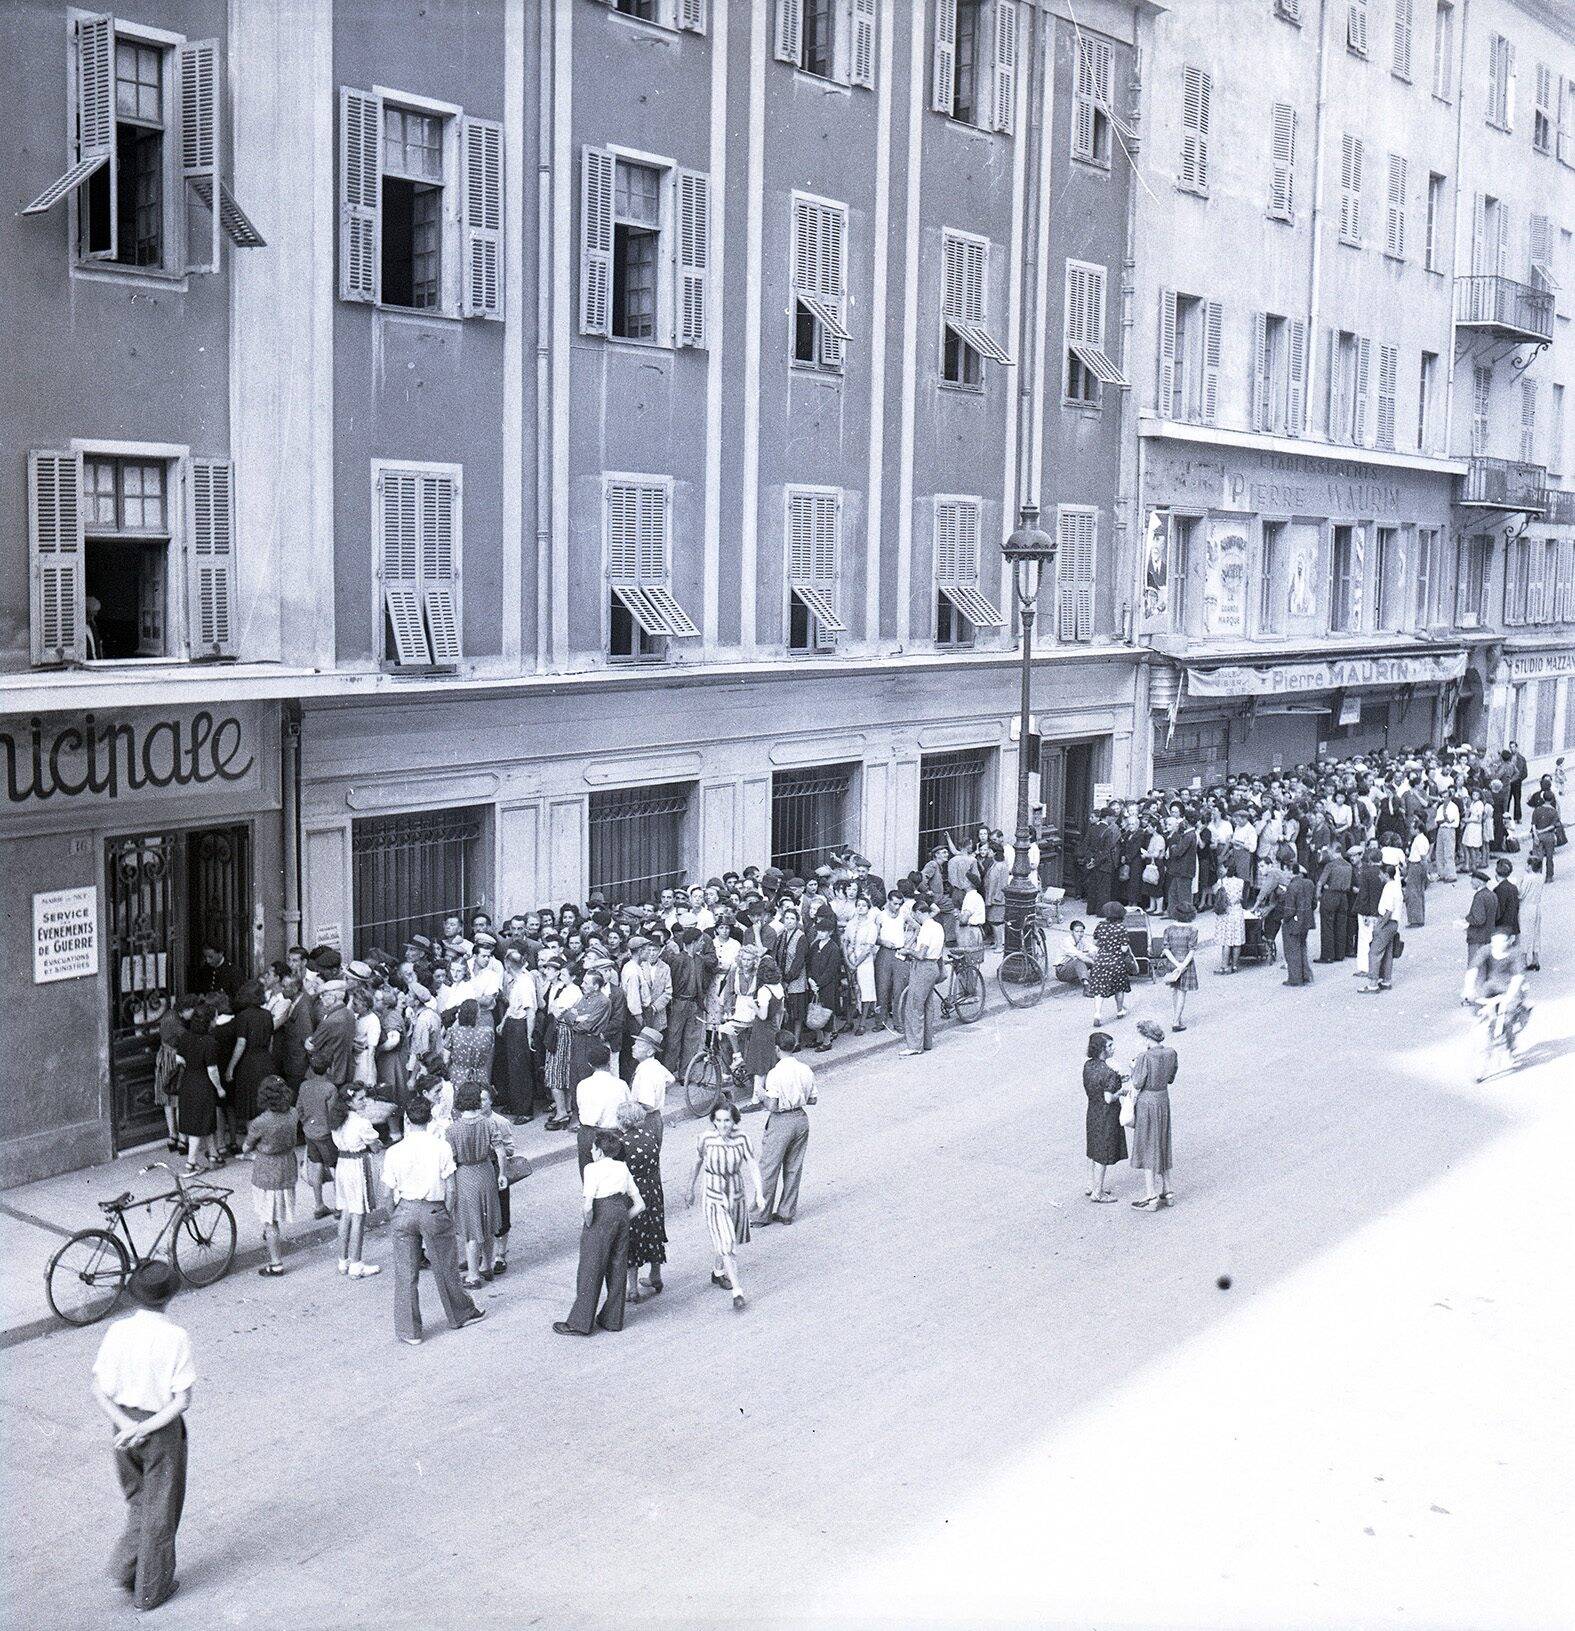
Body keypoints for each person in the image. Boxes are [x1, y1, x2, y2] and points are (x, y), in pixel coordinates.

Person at [92, 1262, 194, 1613]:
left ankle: (126, 1568)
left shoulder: (117, 1331)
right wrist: (145, 1428)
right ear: (170, 1296)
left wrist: (126, 1425)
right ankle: (151, 1590)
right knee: (161, 1509)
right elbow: (182, 1400)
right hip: (160, 1431)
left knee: (139, 1500)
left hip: (122, 1426)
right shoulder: (176, 1337)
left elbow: (98, 1389)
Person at [381, 1095, 485, 1345]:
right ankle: (460, 1314)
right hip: (433, 1209)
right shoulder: (441, 1147)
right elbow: (451, 1188)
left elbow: (386, 1193)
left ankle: (409, 1331)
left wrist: (394, 1214)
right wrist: (445, 1212)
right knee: (446, 1267)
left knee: (406, 1273)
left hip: (404, 1209)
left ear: (407, 1120)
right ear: (429, 1120)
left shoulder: (394, 1151)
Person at [554, 1131, 645, 1337]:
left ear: (600, 1151)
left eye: (594, 1148)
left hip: (600, 1215)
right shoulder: (622, 1167)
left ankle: (580, 1323)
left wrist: (590, 1224)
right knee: (617, 1266)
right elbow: (640, 1204)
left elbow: (588, 1206)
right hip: (621, 1212)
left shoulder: (592, 1169)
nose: (592, 1151)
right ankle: (612, 1319)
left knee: (590, 1268)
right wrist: (622, 1219)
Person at [687, 1098, 766, 1311]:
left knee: (726, 1237)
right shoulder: (706, 1139)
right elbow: (697, 1162)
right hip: (713, 1196)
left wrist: (759, 1193)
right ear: (713, 1120)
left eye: (727, 1121)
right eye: (719, 1120)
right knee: (727, 1243)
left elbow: (752, 1165)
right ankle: (737, 1291)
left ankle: (718, 1271)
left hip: (736, 1195)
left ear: (734, 1121)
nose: (723, 1125)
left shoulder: (742, 1139)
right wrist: (690, 1189)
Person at [753, 1039, 815, 1227]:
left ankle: (760, 1215)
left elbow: (772, 1105)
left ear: (777, 1048)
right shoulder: (805, 1069)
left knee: (768, 1168)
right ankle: (786, 1212)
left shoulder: (775, 1073)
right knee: (794, 1167)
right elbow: (813, 1099)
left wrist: (761, 1095)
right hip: (801, 1119)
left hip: (781, 1120)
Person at [241, 1076, 299, 1277]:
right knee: (276, 1213)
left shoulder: (260, 1122)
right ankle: (270, 1240)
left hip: (267, 1171)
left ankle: (276, 1264)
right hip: (287, 1166)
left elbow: (246, 1146)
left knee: (269, 1220)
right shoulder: (293, 1113)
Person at [446, 1084, 501, 1288]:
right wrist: (503, 1173)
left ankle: (473, 1275)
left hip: (465, 1175)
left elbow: (451, 1160)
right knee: (488, 1223)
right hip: (485, 1171)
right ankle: (487, 1266)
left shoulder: (452, 1129)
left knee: (471, 1227)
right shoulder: (488, 1123)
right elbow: (500, 1150)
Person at [615, 1098, 667, 1303]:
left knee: (633, 1236)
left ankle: (633, 1288)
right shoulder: (650, 1135)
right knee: (654, 1231)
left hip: (633, 1192)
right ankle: (656, 1275)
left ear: (623, 1121)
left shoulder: (622, 1144)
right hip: (653, 1189)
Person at [329, 1086, 382, 1280]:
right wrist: (376, 1145)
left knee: (346, 1212)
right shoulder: (361, 1123)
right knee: (358, 1215)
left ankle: (343, 1261)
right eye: (360, 1099)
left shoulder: (337, 1122)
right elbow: (375, 1147)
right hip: (358, 1166)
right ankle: (356, 1264)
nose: (365, 1101)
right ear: (349, 1102)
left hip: (342, 1164)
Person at [1128, 1019, 1177, 1211]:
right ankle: (1168, 1190)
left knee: (1148, 1146)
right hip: (1163, 1100)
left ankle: (1151, 1196)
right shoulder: (1171, 1053)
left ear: (1147, 1037)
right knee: (1162, 1142)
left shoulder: (1144, 1057)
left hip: (1147, 1103)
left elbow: (1137, 1082)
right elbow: (1171, 1078)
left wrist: (1133, 1067)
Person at [223, 981, 275, 1151]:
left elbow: (241, 1044)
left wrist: (230, 1067)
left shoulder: (243, 1016)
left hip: (248, 1064)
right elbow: (271, 1041)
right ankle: (266, 1142)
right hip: (266, 1061)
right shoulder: (267, 1015)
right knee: (264, 1103)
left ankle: (252, 1144)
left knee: (250, 1106)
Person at [174, 1007, 225, 1174]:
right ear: (209, 1021)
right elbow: (212, 1070)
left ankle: (213, 1155)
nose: (216, 1020)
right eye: (215, 1017)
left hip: (188, 1082)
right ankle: (191, 1163)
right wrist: (219, 1088)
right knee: (199, 1123)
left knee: (204, 1121)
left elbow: (179, 1058)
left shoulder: (185, 1037)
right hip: (203, 1085)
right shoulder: (210, 1042)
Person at [898, 897, 946, 1056]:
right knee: (927, 1005)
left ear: (919, 912)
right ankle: (926, 1042)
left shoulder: (926, 928)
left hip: (923, 967)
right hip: (933, 966)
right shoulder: (938, 926)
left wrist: (907, 951)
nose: (915, 919)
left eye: (915, 915)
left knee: (914, 1006)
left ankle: (914, 1046)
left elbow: (921, 954)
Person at [1083, 1031, 1127, 1203]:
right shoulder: (1109, 1073)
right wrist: (1121, 1091)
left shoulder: (1088, 1066)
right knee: (1103, 1152)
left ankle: (1091, 1185)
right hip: (1106, 1115)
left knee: (1093, 1149)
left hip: (1092, 1111)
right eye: (1110, 1046)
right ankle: (1098, 1192)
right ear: (1102, 1049)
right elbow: (1109, 1098)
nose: (1113, 1048)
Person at [1360, 864, 1403, 994]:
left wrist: (1380, 926)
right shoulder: (1397, 886)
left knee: (1374, 952)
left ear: (1386, 874)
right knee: (1388, 953)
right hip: (1394, 924)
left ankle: (1373, 984)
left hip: (1386, 923)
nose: (1379, 876)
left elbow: (1388, 910)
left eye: (1380, 874)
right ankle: (1386, 980)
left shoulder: (1388, 888)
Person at [1088, 901, 1133, 1024]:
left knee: (1099, 989)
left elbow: (1095, 943)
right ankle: (1119, 1010)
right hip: (1116, 962)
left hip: (1100, 961)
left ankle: (1097, 1014)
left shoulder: (1100, 926)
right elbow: (1124, 948)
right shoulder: (1121, 928)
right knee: (1119, 988)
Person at [1158, 901, 1199, 1030]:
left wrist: (1176, 964)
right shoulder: (1192, 930)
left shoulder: (1169, 929)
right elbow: (1191, 950)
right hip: (1186, 964)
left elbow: (1166, 949)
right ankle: (1176, 1021)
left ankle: (1176, 1016)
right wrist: (1182, 966)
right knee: (1182, 993)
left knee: (1174, 991)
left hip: (1172, 962)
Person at [446, 997, 494, 1091]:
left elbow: (446, 1058)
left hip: (458, 1076)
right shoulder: (488, 1032)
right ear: (477, 1014)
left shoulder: (453, 1032)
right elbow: (488, 1053)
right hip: (480, 1075)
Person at [1280, 863, 1316, 988]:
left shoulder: (1292, 886)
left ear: (1291, 872)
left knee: (1292, 949)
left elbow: (1290, 909)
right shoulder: (1309, 883)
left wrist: (1284, 919)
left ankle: (1295, 978)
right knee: (1302, 947)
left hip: (1294, 922)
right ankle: (1306, 975)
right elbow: (1314, 903)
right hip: (1307, 920)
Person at [1517, 853, 1546, 971]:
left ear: (1530, 866)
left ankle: (1524, 960)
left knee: (1524, 933)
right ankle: (1535, 959)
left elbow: (1521, 894)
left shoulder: (1527, 878)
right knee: (1535, 932)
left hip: (1526, 907)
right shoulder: (1541, 877)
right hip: (1536, 907)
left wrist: (1518, 884)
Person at [1215, 872, 1246, 974]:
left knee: (1226, 941)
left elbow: (1215, 892)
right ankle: (1235, 966)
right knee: (1237, 940)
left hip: (1226, 912)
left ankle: (1224, 966)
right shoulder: (1241, 881)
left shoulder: (1221, 882)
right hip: (1237, 911)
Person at [1465, 870, 1498, 963]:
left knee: (1474, 965)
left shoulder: (1479, 896)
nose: (1471, 882)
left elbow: (1479, 920)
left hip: (1477, 937)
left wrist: (1467, 919)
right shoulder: (1492, 894)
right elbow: (1497, 915)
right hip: (1489, 936)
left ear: (1479, 882)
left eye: (1473, 880)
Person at [1054, 920, 1097, 992]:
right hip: (1062, 971)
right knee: (1079, 960)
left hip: (1073, 967)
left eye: (1082, 932)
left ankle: (1096, 980)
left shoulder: (1081, 941)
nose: (1080, 934)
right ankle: (1086, 987)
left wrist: (1094, 954)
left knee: (1091, 956)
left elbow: (1092, 948)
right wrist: (1093, 962)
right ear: (1072, 932)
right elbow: (1079, 956)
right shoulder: (1066, 942)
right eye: (1077, 932)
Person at [1492, 858, 1521, 938]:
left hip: (1503, 926)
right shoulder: (1513, 887)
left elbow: (1499, 910)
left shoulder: (1498, 889)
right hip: (1513, 924)